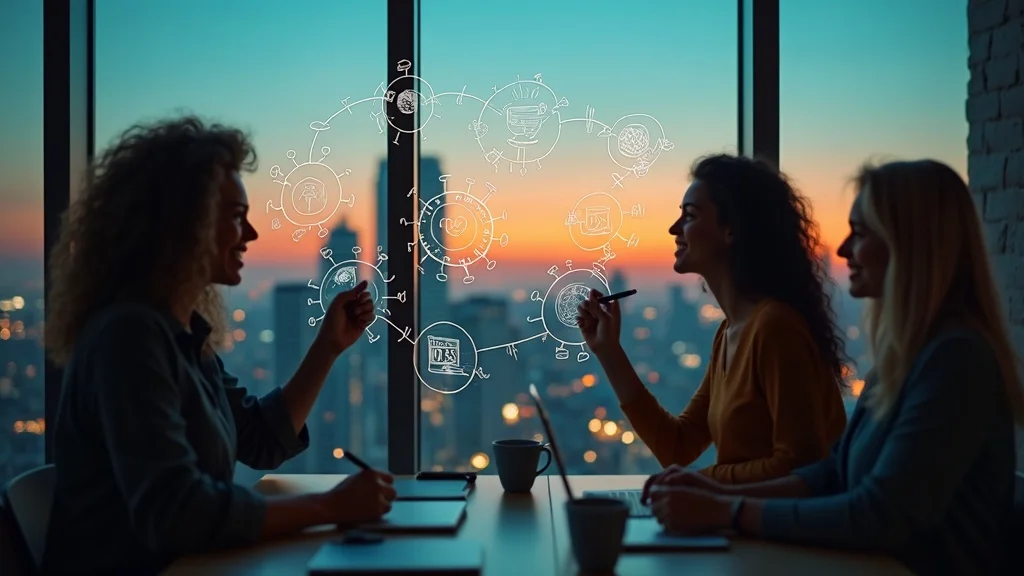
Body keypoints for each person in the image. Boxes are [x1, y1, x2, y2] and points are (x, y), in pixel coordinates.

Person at [40, 116, 396, 575]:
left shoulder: (181, 334)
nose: (250, 235)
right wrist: (327, 507)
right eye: (235, 217)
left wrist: (328, 347)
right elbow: (177, 512)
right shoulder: (128, 340)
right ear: (182, 224)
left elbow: (260, 439)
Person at [643, 159, 1024, 575]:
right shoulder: (906, 356)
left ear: (908, 244)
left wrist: (726, 509)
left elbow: (877, 515)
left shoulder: (955, 361)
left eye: (859, 234)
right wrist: (712, 493)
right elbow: (833, 471)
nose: (842, 251)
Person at [577, 153, 848, 484]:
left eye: (689, 216)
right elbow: (678, 445)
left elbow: (799, 466)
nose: (674, 228)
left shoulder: (776, 329)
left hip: (784, 533)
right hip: (746, 523)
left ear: (731, 229)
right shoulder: (731, 333)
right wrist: (609, 352)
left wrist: (703, 483)